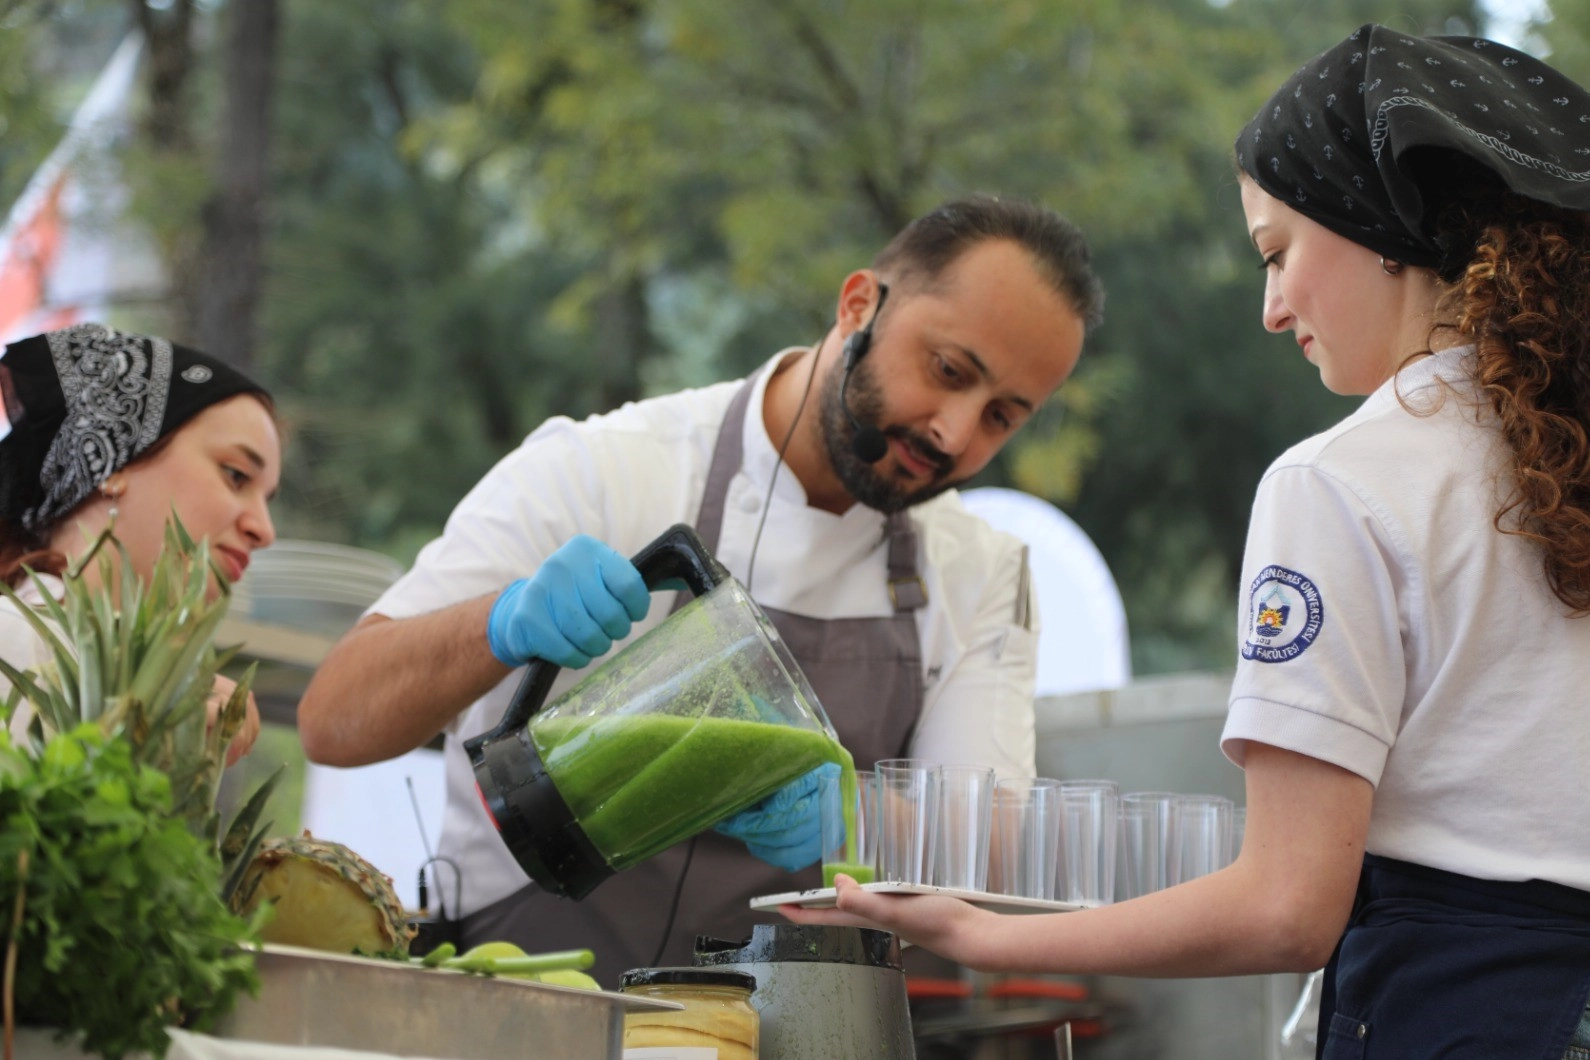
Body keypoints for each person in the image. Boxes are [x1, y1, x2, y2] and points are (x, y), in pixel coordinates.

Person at [786, 24, 1590, 1058]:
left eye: (1278, 252)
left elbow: (1289, 906)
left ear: (1382, 224)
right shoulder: (1557, 458)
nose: (1271, 308)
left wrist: (984, 931)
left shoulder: (1343, 482)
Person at [296, 194, 1105, 980]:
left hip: (790, 1024)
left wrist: (850, 815)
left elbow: (990, 854)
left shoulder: (981, 572)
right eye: (947, 369)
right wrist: (499, 624)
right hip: (528, 994)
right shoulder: (603, 469)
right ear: (860, 303)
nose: (954, 431)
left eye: (1002, 416)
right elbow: (335, 720)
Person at [1, 323, 282, 764]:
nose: (264, 530)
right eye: (235, 475)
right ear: (115, 461)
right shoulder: (17, 642)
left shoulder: (129, 683)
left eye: (267, 500)